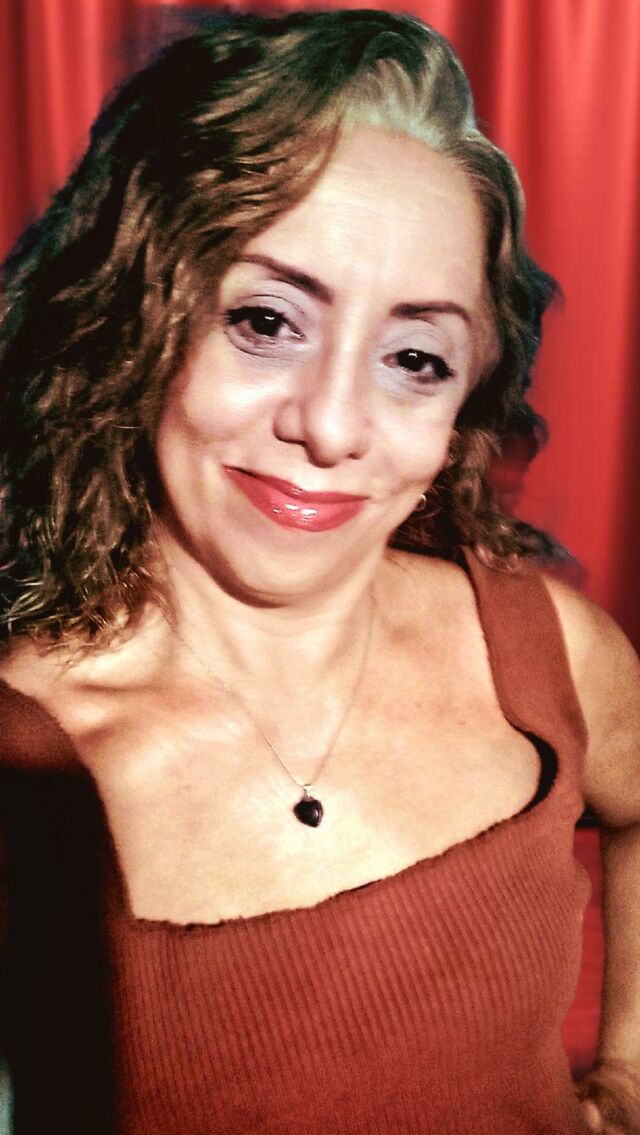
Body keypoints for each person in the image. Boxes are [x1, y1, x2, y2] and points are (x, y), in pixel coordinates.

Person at [0, 9, 638, 1134]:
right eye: (264, 320)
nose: (334, 426)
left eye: (414, 357)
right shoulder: (32, 759)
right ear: (129, 323)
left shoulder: (546, 653)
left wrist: (627, 1079)